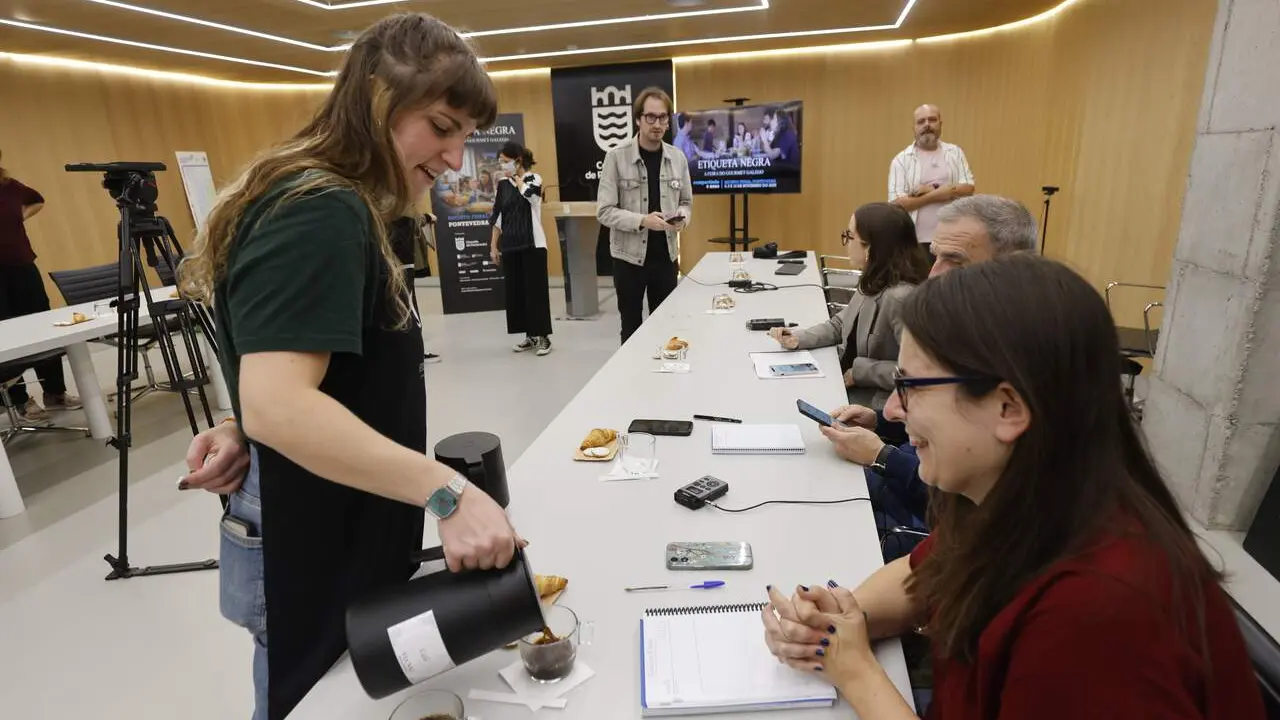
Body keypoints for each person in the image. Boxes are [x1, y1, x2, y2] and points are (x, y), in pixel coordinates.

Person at [176, 14, 524, 720]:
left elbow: (285, 367)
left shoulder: (348, 205)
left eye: (464, 135)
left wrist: (240, 421)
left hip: (332, 514)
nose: (456, 159)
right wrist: (447, 493)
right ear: (375, 100)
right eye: (441, 126)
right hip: (305, 533)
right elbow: (280, 404)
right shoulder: (322, 210)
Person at [762, 255, 1265, 720]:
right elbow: (923, 576)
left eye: (911, 387)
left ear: (1009, 409)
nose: (892, 411)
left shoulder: (1098, 615)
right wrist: (838, 622)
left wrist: (854, 669)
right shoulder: (1022, 501)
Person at [820, 195, 1038, 536]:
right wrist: (880, 423)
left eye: (954, 260)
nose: (934, 274)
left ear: (1014, 265)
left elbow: (955, 509)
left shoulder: (1017, 362)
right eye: (934, 256)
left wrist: (882, 456)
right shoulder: (960, 331)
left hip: (910, 516)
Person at [768, 203, 929, 408]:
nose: (845, 243)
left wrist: (860, 373)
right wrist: (799, 338)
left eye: (850, 236)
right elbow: (841, 324)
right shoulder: (874, 279)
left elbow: (920, 373)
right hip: (849, 384)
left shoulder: (901, 299)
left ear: (871, 247)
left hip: (879, 405)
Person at [597, 86, 693, 345]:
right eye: (651, 117)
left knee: (665, 325)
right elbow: (604, 212)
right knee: (631, 327)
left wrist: (682, 217)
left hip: (666, 258)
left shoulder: (678, 158)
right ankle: (631, 381)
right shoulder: (616, 158)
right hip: (628, 260)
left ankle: (662, 381)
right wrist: (642, 221)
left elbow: (686, 202)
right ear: (638, 119)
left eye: (663, 117)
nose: (658, 124)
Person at [0, 153, 82, 421]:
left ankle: (55, 391)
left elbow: (37, 200)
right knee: (8, 335)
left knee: (44, 326)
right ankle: (21, 400)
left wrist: (19, 216)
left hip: (23, 266)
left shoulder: (10, 185)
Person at [489, 141, 552, 356]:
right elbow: (498, 216)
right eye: (500, 162)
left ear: (518, 161)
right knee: (518, 292)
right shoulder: (502, 185)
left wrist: (519, 183)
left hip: (533, 243)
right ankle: (529, 335)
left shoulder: (533, 178)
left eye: (505, 161)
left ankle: (543, 336)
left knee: (536, 291)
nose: (502, 166)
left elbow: (534, 197)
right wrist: (493, 246)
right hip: (511, 244)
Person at [888, 104, 976, 254]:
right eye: (921, 121)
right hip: (915, 241)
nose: (927, 125)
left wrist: (931, 189)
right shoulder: (901, 160)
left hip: (952, 239)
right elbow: (897, 205)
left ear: (940, 124)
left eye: (932, 120)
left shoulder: (955, 153)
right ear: (914, 128)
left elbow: (968, 188)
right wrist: (937, 195)